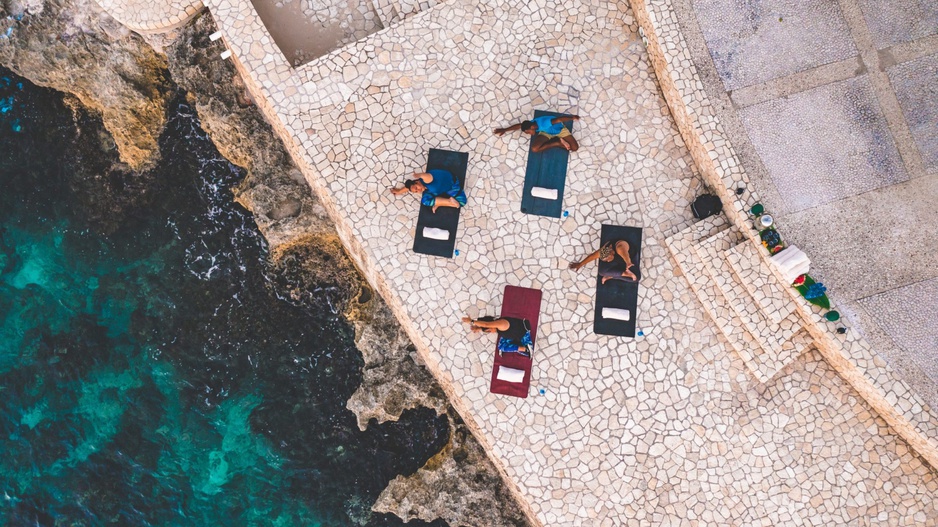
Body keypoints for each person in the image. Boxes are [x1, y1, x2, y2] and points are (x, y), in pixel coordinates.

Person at [389, 169, 467, 213]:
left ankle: (445, 201)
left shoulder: (427, 180)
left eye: (416, 188)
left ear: (417, 181)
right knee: (425, 201)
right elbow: (409, 188)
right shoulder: (422, 186)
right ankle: (443, 201)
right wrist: (399, 191)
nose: (418, 191)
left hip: (451, 185)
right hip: (439, 190)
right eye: (416, 192)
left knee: (462, 202)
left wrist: (418, 175)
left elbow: (425, 176)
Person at [494, 114, 580, 153]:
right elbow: (519, 126)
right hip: (546, 132)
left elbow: (559, 119)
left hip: (560, 131)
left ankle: (560, 138)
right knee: (535, 149)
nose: (530, 134)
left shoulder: (545, 123)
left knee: (574, 148)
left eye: (528, 132)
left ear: (532, 127)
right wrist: (504, 130)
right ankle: (557, 142)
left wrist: (572, 117)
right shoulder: (531, 123)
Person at [569, 240, 637, 284]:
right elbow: (592, 256)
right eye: (605, 260)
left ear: (612, 253)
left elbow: (625, 255)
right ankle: (618, 274)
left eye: (608, 259)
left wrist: (628, 263)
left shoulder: (619, 248)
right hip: (619, 262)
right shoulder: (604, 251)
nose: (607, 261)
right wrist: (580, 264)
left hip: (630, 259)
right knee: (601, 271)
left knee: (636, 279)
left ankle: (612, 276)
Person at [461, 315, 533, 357]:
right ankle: (517, 345)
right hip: (514, 335)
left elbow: (486, 324)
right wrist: (478, 328)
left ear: (492, 325)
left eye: (489, 330)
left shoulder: (502, 324)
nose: (490, 332)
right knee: (501, 346)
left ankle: (526, 348)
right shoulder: (498, 328)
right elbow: (487, 326)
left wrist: (471, 321)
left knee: (503, 347)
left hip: (524, 335)